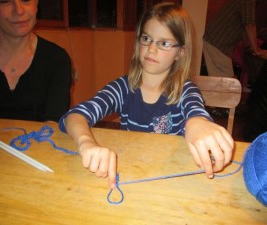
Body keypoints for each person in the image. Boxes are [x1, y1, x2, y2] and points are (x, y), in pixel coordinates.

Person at [59, 2, 234, 189]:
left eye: (164, 43)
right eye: (147, 38)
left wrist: (198, 123)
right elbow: (74, 116)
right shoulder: (123, 88)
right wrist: (86, 142)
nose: (152, 49)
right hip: (131, 174)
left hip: (170, 177)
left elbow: (195, 112)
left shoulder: (186, 90)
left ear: (180, 53)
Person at [0, 0, 72, 122]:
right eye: (5, 1)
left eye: (26, 0)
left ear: (36, 4)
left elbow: (52, 126)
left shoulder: (57, 59)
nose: (19, 10)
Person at [203, 0, 267, 78]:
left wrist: (249, 47)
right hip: (218, 43)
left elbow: (244, 27)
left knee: (222, 82)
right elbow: (249, 25)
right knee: (227, 85)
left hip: (215, 41)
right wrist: (256, 50)